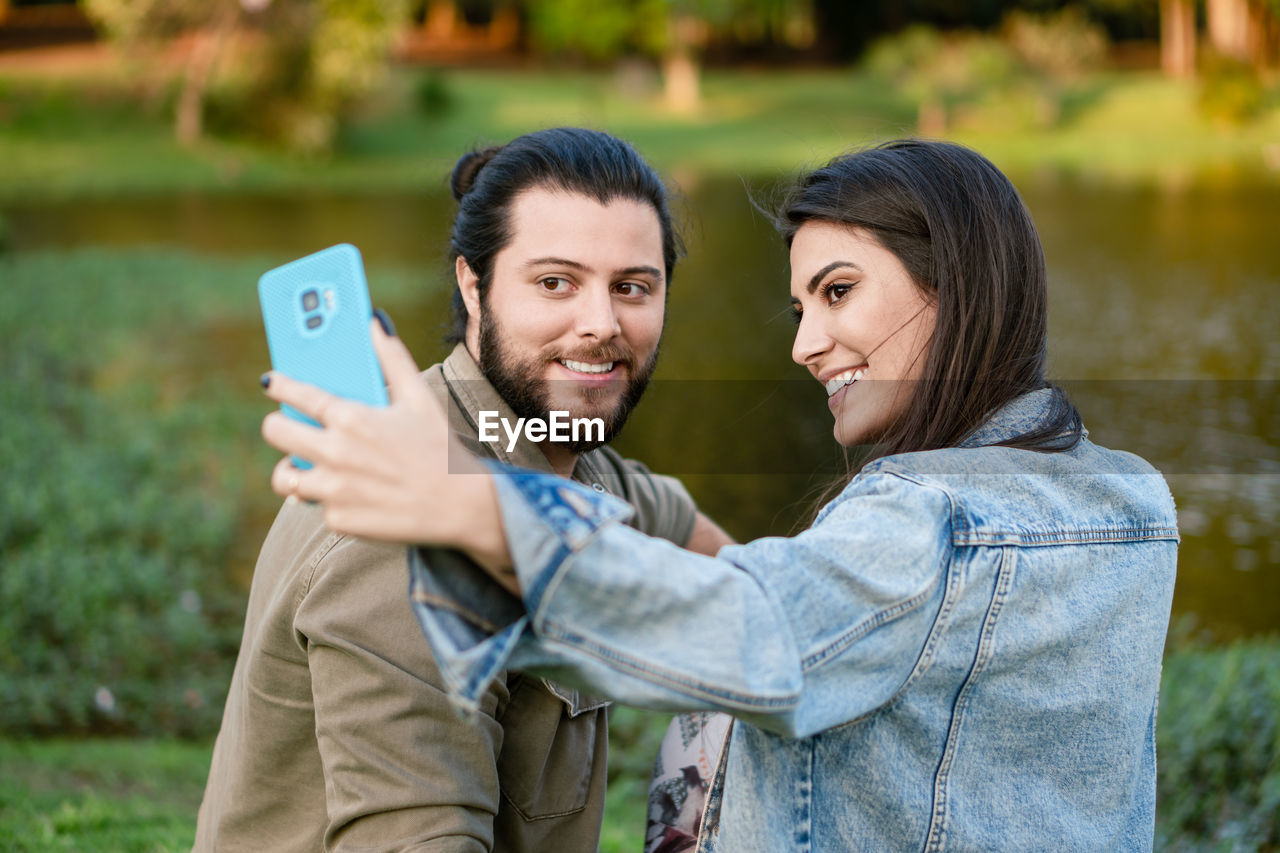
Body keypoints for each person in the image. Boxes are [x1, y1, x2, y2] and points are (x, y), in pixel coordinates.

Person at [260, 139, 1180, 851]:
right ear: (471, 286)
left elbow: (749, 611)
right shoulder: (1132, 499)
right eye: (554, 282)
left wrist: (467, 505)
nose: (805, 344)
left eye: (838, 291)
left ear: (960, 286)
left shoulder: (926, 518)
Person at [195, 127, 732, 853]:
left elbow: (743, 578)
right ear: (472, 288)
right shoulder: (396, 529)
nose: (602, 324)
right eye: (555, 283)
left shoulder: (571, 464)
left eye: (632, 287)